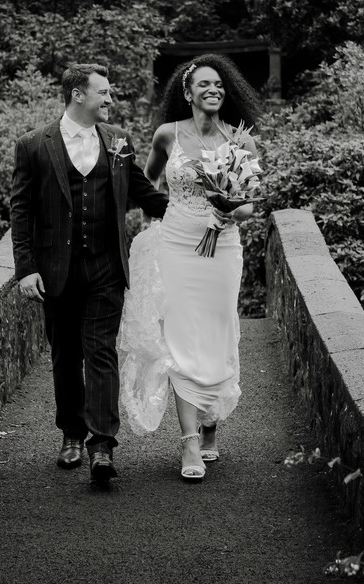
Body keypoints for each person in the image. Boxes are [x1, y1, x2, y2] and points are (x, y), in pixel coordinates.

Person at [10, 63, 168, 482]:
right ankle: (71, 435)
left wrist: (199, 212)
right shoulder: (33, 146)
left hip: (105, 268)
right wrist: (25, 270)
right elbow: (21, 211)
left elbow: (145, 194)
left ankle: (102, 446)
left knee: (100, 353)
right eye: (104, 93)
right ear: (78, 94)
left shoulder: (118, 142)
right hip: (55, 270)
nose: (111, 100)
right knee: (65, 356)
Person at [121, 54, 263, 481]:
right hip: (177, 244)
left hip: (223, 248)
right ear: (187, 93)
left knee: (217, 334)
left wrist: (230, 211)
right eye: (203, 84)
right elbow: (147, 185)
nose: (213, 90)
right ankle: (189, 443)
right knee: (180, 338)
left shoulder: (242, 143)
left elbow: (252, 204)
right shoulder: (167, 135)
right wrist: (165, 225)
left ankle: (211, 423)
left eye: (218, 84)